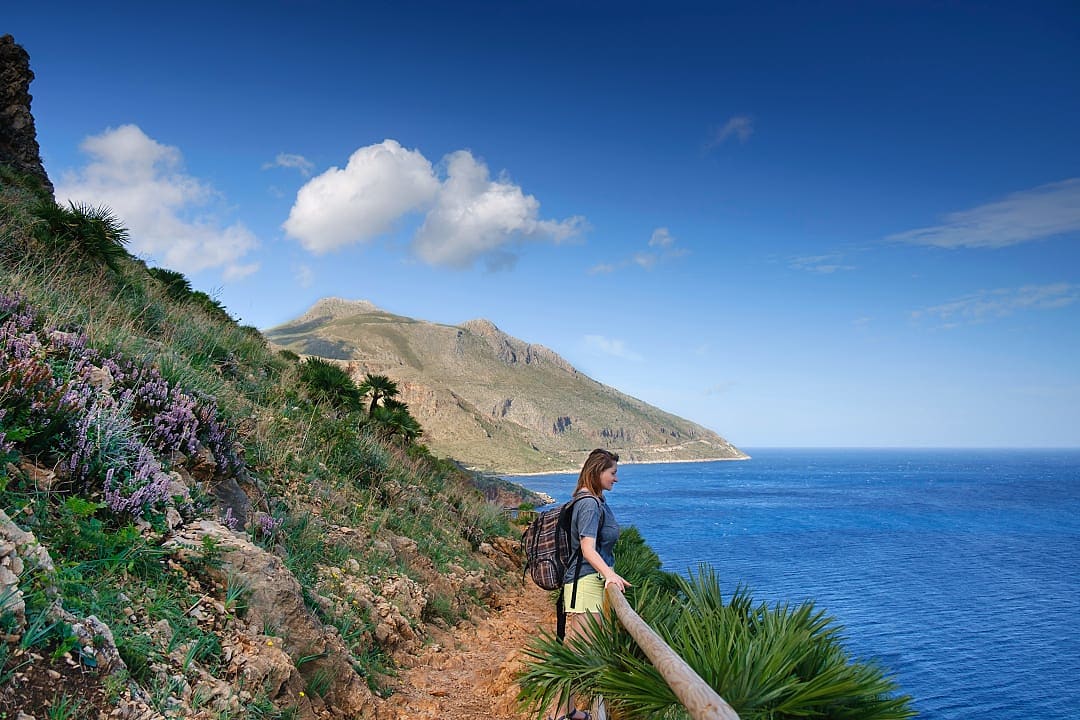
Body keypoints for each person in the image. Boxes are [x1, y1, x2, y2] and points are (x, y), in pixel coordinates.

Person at [549, 448, 632, 720]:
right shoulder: (588, 504)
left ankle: (569, 711)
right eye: (613, 472)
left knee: (581, 650)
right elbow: (587, 548)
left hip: (588, 583)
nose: (616, 478)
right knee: (580, 652)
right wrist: (609, 574)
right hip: (585, 584)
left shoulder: (595, 500)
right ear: (598, 472)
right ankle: (561, 714)